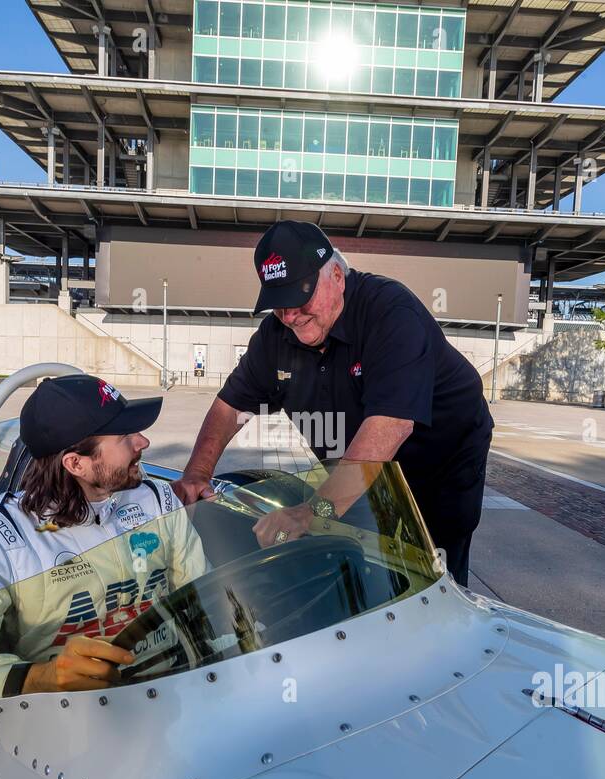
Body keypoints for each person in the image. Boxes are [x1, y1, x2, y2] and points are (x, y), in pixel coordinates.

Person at [172, 220, 492, 587]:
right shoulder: (275, 337)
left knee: (433, 561)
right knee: (359, 553)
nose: (290, 315)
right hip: (358, 459)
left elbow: (389, 426)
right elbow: (230, 407)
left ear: (337, 276)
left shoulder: (390, 313)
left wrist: (313, 511)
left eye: (299, 297)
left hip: (440, 459)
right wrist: (197, 472)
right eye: (278, 304)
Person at [0, 374, 206, 737]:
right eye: (125, 436)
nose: (143, 441)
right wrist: (39, 677)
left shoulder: (158, 501)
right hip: (64, 741)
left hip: (178, 709)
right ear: (75, 464)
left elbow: (205, 605)